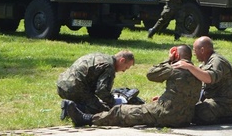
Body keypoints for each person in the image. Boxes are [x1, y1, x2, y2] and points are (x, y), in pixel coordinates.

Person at [63, 44, 201, 128]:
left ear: (175, 53)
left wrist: (168, 60)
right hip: (186, 117)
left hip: (167, 114)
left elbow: (151, 74)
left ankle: (86, 119)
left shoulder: (175, 68)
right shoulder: (198, 72)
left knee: (121, 111)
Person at [172, 36, 232, 125]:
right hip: (213, 101)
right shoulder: (205, 63)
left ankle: (226, 118)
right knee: (182, 108)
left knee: (192, 113)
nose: (194, 53)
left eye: (195, 50)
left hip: (226, 104)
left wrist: (189, 66)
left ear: (202, 50)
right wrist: (173, 99)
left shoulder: (217, 61)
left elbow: (209, 78)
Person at [56, 50, 134, 116]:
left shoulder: (101, 56)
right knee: (104, 111)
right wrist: (113, 102)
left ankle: (72, 104)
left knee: (93, 101)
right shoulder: (109, 66)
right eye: (126, 67)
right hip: (74, 89)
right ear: (122, 60)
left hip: (62, 85)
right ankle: (71, 108)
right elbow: (101, 91)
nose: (124, 71)